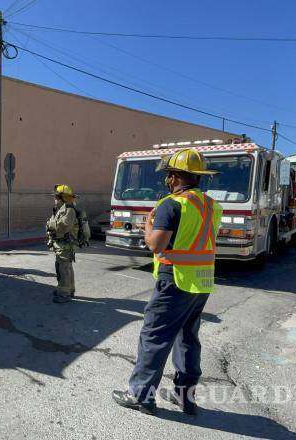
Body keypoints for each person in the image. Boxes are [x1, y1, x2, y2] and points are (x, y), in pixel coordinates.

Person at [112, 148, 222, 416]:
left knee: (155, 336)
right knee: (187, 338)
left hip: (175, 279)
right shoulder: (210, 205)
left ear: (174, 177)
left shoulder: (171, 204)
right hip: (202, 281)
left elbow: (156, 245)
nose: (168, 181)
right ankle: (184, 396)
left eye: (169, 176)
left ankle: (141, 395)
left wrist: (147, 229)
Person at [46, 184, 79, 303]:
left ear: (62, 198)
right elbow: (52, 222)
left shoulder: (69, 210)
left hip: (66, 244)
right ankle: (68, 289)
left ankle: (64, 294)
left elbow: (64, 226)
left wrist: (51, 225)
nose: (54, 199)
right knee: (64, 267)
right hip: (60, 244)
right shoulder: (60, 209)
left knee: (64, 269)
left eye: (56, 197)